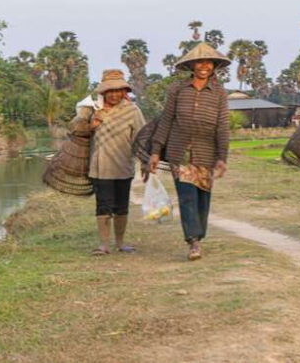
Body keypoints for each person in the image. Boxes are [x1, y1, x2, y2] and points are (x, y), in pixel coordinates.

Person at [147, 42, 230, 261]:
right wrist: (156, 151)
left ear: (214, 66)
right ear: (192, 65)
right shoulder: (177, 90)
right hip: (180, 151)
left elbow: (222, 125)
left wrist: (222, 157)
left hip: (207, 152)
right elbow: (166, 121)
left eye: (208, 62)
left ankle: (198, 235)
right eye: (199, 62)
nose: (204, 66)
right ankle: (193, 241)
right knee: (187, 197)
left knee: (203, 198)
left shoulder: (220, 93)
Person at [88, 69, 146, 255]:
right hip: (100, 167)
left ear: (124, 91)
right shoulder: (93, 109)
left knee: (121, 206)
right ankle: (104, 244)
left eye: (118, 90)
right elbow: (76, 131)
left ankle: (120, 243)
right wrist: (91, 124)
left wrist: (146, 159)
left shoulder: (133, 111)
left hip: (123, 166)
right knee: (103, 205)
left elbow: (141, 136)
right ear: (103, 92)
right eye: (110, 91)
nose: (114, 94)